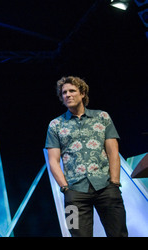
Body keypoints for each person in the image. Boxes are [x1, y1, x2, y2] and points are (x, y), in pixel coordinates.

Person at [45, 76, 128, 237]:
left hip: (106, 187)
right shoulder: (55, 124)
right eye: (64, 93)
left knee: (119, 234)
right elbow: (53, 161)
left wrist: (115, 182)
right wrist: (65, 189)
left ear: (82, 93)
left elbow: (113, 152)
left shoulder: (102, 117)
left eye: (72, 91)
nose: (67, 95)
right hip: (73, 194)